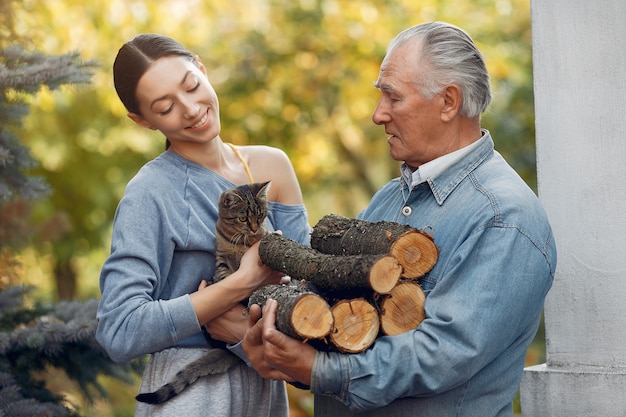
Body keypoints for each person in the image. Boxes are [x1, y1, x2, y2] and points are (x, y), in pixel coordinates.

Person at [242, 21, 557, 417]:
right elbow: (341, 325)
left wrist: (321, 370)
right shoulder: (389, 199)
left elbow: (445, 353)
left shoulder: (504, 219)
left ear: (448, 102)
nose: (377, 115)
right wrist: (283, 345)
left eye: (393, 97)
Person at [95, 34, 311, 417]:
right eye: (165, 107)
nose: (192, 109)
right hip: (190, 395)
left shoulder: (272, 167)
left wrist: (242, 332)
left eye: (192, 86)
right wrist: (240, 284)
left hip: (264, 388)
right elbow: (120, 329)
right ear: (143, 121)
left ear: (201, 68)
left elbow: (309, 293)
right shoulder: (151, 192)